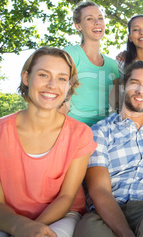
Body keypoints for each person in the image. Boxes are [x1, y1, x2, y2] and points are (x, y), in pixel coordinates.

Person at [74, 61, 143, 237]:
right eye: (135, 83)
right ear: (123, 86)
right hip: (105, 210)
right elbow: (99, 190)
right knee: (91, 232)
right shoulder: (100, 131)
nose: (140, 90)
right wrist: (126, 233)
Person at [0, 47, 97, 237]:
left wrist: (33, 228)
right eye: (44, 75)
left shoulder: (80, 134)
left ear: (69, 86)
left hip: (61, 216)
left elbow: (66, 197)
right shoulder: (1, 132)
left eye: (62, 78)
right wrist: (19, 227)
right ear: (26, 78)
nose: (52, 85)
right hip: (8, 217)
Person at [62, 1, 119, 126]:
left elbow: (117, 104)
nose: (97, 22)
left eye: (100, 18)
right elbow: (59, 96)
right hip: (74, 128)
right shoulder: (71, 54)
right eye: (89, 19)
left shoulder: (112, 65)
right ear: (78, 26)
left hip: (104, 132)